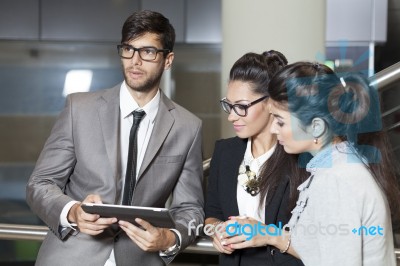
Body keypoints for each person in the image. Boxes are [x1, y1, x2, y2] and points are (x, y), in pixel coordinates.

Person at [26, 10, 204, 266]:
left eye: (148, 52)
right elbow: (40, 183)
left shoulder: (188, 127)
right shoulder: (79, 109)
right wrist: (73, 212)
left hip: (141, 258)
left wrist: (170, 238)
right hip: (71, 256)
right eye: (128, 49)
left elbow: (191, 208)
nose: (135, 61)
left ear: (167, 60)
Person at [222, 61, 399, 265]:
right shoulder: (338, 166)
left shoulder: (336, 181)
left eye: (280, 121)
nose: (273, 129)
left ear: (316, 127)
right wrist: (269, 234)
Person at [204, 51, 306, 265]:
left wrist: (266, 234)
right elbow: (212, 212)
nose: (231, 116)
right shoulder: (225, 152)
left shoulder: (300, 160)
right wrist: (217, 230)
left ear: (270, 102)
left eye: (241, 107)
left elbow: (321, 243)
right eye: (228, 105)